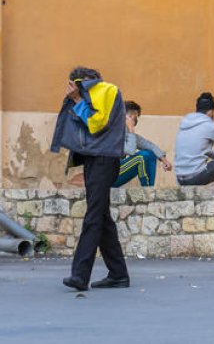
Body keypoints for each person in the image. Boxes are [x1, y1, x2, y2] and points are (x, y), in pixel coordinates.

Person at [50, 66, 130, 291]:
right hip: (97, 159)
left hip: (103, 159)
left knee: (94, 216)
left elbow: (97, 124)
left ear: (85, 81)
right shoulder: (99, 92)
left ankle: (80, 275)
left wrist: (77, 99)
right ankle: (119, 274)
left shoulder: (105, 91)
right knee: (102, 217)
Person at [175, 92, 214, 185]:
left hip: (180, 179)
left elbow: (202, 151)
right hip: (195, 178)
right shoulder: (208, 125)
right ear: (211, 112)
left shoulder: (185, 123)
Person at [113, 100, 171, 187]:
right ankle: (146, 192)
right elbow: (130, 151)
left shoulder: (128, 134)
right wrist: (131, 129)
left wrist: (164, 160)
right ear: (126, 117)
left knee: (150, 154)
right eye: (134, 117)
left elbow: (150, 146)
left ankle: (149, 188)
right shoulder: (113, 133)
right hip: (108, 176)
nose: (135, 120)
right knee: (142, 157)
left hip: (118, 172)